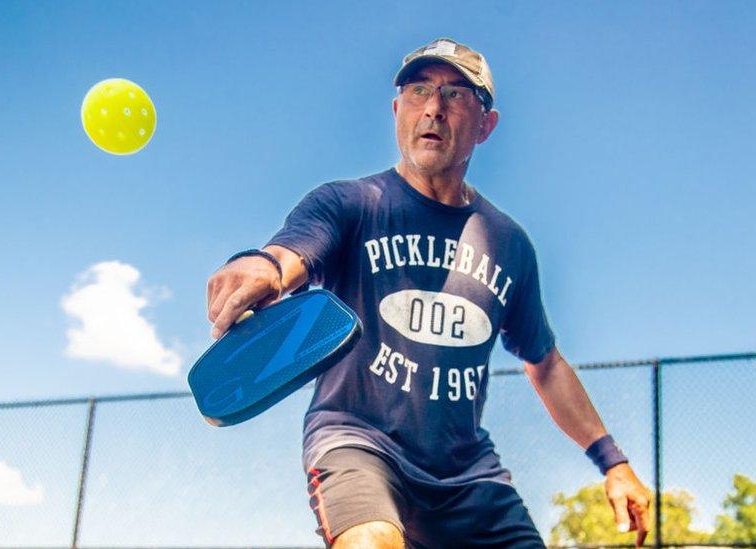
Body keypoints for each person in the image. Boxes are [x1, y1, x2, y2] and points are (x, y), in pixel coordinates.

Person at [206, 38, 652, 548]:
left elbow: (545, 364)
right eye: (419, 90)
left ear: (486, 125)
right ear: (398, 110)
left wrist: (613, 463)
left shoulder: (508, 242)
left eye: (457, 94)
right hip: (357, 443)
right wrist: (260, 265)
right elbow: (289, 255)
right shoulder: (350, 203)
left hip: (468, 475)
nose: (434, 108)